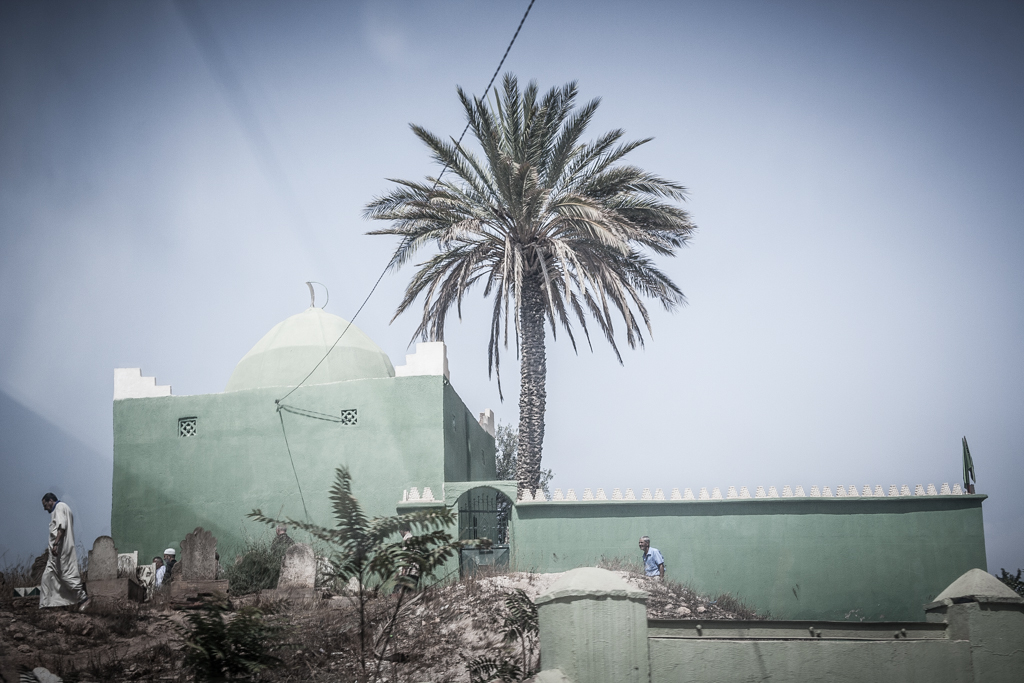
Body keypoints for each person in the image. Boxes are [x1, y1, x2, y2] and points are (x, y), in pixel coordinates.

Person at [39, 493, 90, 609]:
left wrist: (56, 544)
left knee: (66, 575)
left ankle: (83, 598)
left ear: (51, 500)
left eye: (45, 504)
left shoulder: (60, 507)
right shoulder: (61, 508)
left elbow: (62, 527)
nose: (44, 508)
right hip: (55, 553)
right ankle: (46, 605)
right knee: (47, 576)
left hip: (61, 551)